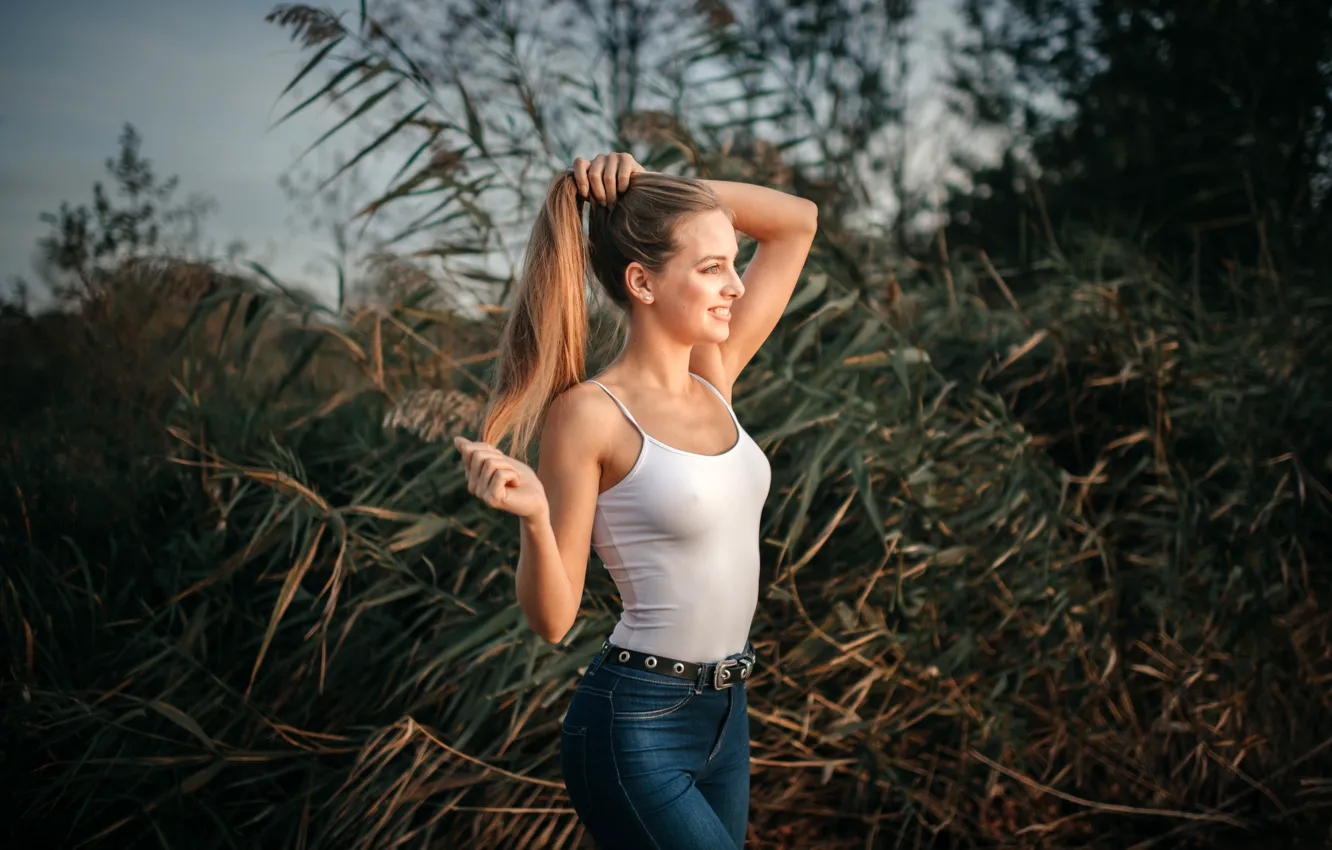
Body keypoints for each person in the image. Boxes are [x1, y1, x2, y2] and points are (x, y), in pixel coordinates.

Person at [454, 151, 817, 848]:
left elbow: (798, 222)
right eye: (711, 268)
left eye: (732, 264)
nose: (735, 287)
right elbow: (553, 621)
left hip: (727, 713)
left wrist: (651, 192)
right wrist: (533, 516)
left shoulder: (713, 378)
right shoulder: (589, 413)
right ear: (642, 281)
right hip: (636, 723)